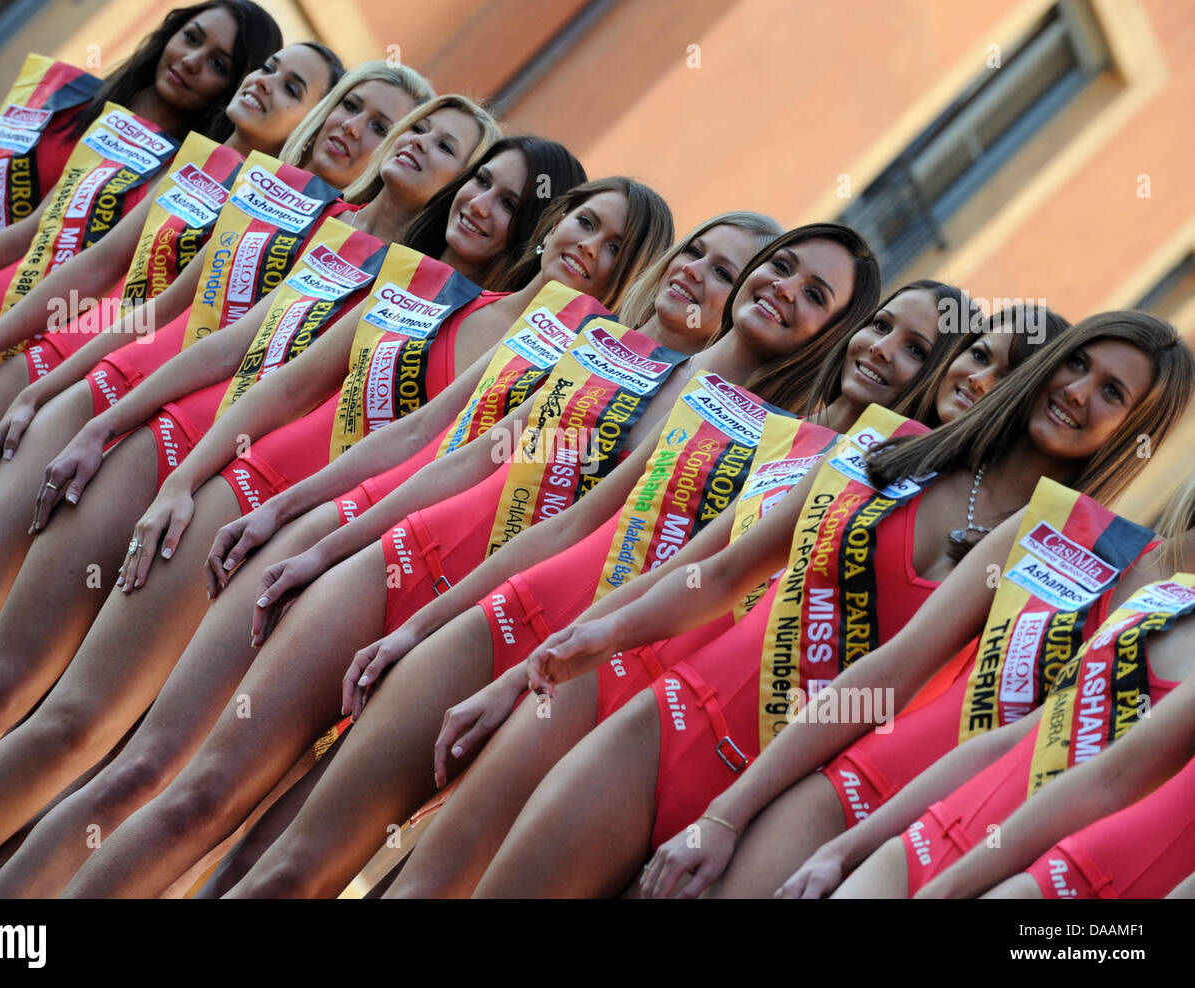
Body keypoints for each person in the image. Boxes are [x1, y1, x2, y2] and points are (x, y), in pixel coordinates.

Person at [55, 221, 879, 898]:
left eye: (815, 295)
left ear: (832, 333)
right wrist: (329, 541)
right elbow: (464, 456)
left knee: (295, 868)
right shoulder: (611, 350)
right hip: (430, 581)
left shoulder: (790, 461)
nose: (779, 289)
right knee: (196, 795)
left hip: (549, 672)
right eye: (778, 268)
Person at [0, 181, 682, 898]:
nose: (588, 245)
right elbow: (419, 439)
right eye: (583, 222)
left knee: (267, 859)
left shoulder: (648, 397)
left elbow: (572, 528)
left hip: (467, 635)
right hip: (342, 546)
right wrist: (286, 519)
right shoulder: (498, 318)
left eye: (615, 245)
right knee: (137, 765)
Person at [219, 279, 989, 898]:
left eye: (916, 347)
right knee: (298, 856)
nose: (884, 351)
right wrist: (440, 633)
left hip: (677, 726)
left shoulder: (903, 505)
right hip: (567, 648)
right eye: (882, 326)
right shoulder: (742, 416)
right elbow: (584, 524)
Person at [465, 312, 1190, 898]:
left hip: (829, 808)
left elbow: (999, 729)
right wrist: (574, 647)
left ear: (1134, 434)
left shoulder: (1090, 568)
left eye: (1112, 394)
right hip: (678, 724)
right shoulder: (885, 450)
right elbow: (717, 576)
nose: (1078, 392)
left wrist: (761, 820)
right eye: (1077, 365)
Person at [0, 43, 346, 598]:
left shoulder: (297, 226)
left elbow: (198, 335)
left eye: (293, 87)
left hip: (124, 411)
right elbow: (80, 254)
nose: (266, 82)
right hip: (41, 354)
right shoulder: (193, 160)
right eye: (270, 67)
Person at [0, 1, 284, 448]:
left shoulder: (190, 186)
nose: (192, 61)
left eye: (218, 63)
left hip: (1, 336)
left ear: (235, 86)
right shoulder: (60, 91)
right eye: (192, 37)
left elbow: (94, 273)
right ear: (170, 32)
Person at [809, 478, 1195, 897]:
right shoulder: (1159, 598)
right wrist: (847, 849)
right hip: (924, 840)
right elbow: (1013, 743)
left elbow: (1109, 784)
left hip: (1044, 885)